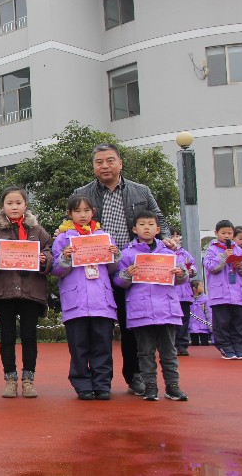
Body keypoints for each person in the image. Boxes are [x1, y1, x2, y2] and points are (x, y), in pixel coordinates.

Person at [72, 143, 172, 397]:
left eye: (109, 161)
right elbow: (73, 226)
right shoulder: (83, 193)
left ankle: (135, 375)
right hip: (98, 271)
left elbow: (158, 220)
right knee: (98, 330)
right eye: (99, 162)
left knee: (132, 325)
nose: (104, 166)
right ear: (93, 166)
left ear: (120, 163)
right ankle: (97, 380)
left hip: (134, 269)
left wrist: (167, 241)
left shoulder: (141, 191)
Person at [0, 187, 52, 399]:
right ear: (2, 206)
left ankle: (28, 380)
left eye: (18, 203)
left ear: (25, 205)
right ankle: (10, 379)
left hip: (31, 291)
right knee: (7, 337)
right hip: (4, 293)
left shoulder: (38, 231)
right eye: (9, 203)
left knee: (30, 337)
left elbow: (49, 251)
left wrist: (44, 259)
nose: (14, 207)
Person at [113, 210, 189, 401]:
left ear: (157, 229)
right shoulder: (128, 253)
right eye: (142, 224)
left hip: (166, 310)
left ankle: (172, 386)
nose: (146, 227)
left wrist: (180, 274)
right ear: (134, 228)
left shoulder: (169, 253)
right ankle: (150, 386)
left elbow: (182, 278)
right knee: (145, 352)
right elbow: (119, 282)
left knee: (169, 352)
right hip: (141, 312)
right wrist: (127, 274)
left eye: (150, 224)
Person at [51, 195, 120, 400]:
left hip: (101, 301)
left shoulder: (104, 236)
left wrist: (114, 254)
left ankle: (102, 384)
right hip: (76, 302)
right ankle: (82, 384)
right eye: (78, 211)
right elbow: (55, 270)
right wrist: (65, 257)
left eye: (86, 210)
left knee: (103, 346)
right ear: (69, 214)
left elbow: (114, 269)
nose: (83, 215)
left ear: (93, 212)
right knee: (78, 347)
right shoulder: (63, 238)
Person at [202, 219, 242, 359]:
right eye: (223, 233)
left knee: (238, 323)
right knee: (222, 323)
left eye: (229, 233)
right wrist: (224, 257)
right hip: (220, 294)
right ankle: (225, 347)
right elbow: (211, 267)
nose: (227, 236)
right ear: (216, 233)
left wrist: (240, 266)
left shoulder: (238, 249)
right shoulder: (211, 249)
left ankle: (239, 347)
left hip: (238, 294)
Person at [166, 230, 197, 357]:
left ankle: (183, 345)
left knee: (184, 320)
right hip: (170, 293)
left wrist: (191, 270)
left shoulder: (184, 253)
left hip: (185, 294)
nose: (175, 238)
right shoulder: (163, 251)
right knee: (171, 321)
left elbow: (194, 266)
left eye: (177, 235)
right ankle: (171, 345)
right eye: (172, 236)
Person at [188, 280, 212, 347]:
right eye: (201, 286)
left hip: (203, 326)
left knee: (205, 344)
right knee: (194, 344)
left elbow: (209, 313)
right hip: (192, 327)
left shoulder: (205, 299)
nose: (203, 287)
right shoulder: (188, 299)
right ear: (194, 288)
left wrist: (210, 325)